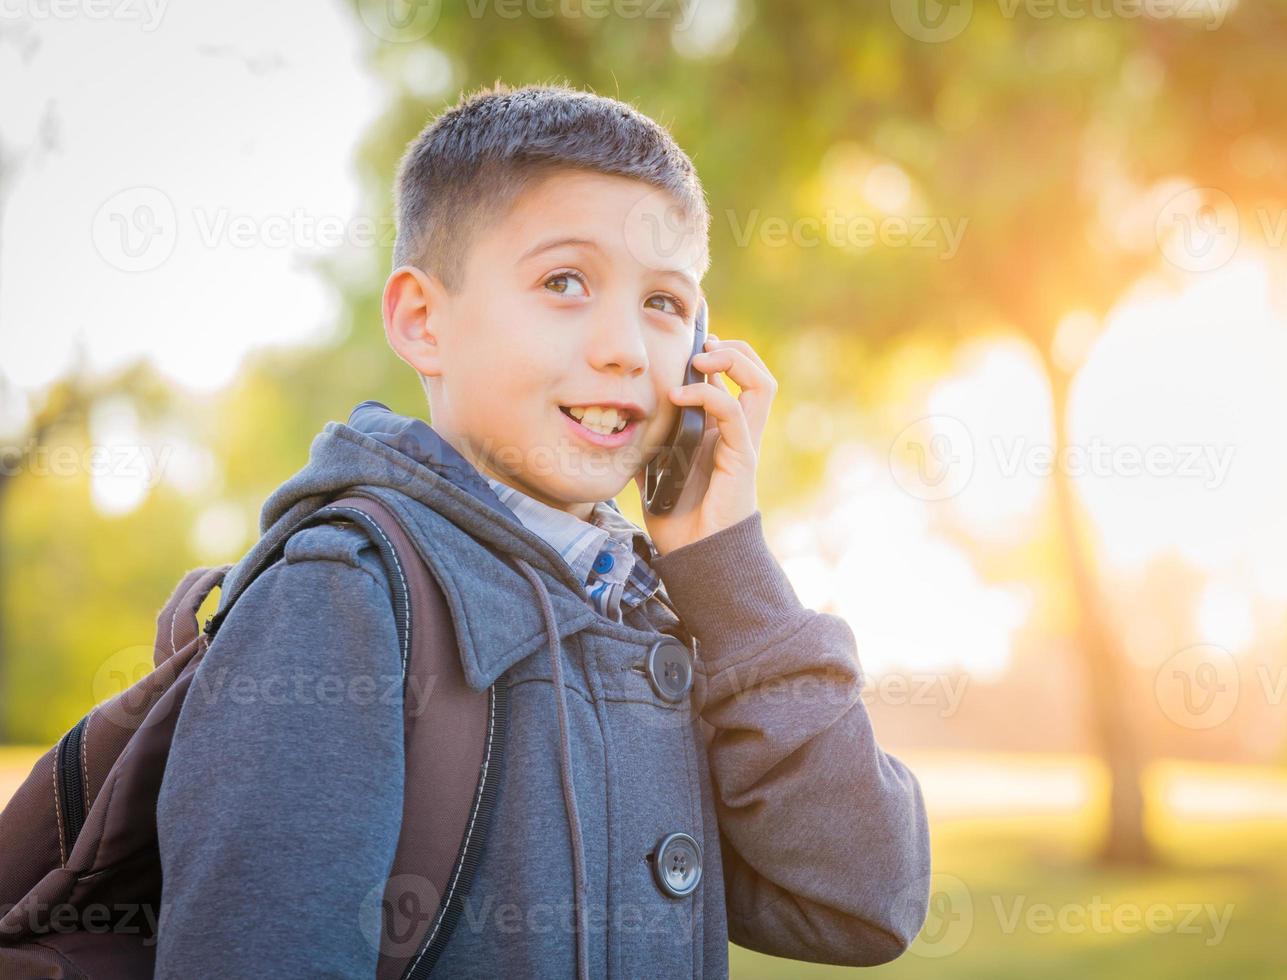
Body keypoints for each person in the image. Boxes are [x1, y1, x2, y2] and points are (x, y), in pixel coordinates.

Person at [154, 82, 930, 978]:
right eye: (566, 282)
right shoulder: (339, 594)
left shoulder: (661, 617)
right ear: (422, 321)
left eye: (666, 304)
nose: (628, 350)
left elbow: (867, 901)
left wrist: (728, 572)